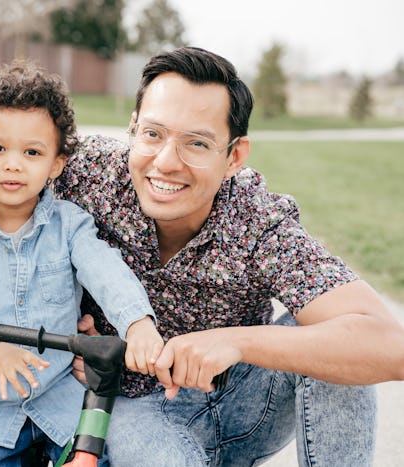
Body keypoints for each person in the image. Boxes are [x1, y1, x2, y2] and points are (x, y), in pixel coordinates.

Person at [55, 46, 404, 466]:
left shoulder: (257, 220)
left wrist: (234, 342)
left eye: (197, 143)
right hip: (136, 410)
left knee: (335, 341)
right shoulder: (85, 174)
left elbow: (391, 345)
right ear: (132, 127)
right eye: (152, 134)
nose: (166, 163)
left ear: (233, 157)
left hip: (245, 404)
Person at [0, 62, 164, 466]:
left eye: (32, 152)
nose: (13, 164)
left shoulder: (70, 225)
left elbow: (106, 272)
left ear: (56, 163)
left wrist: (137, 322)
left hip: (63, 403)